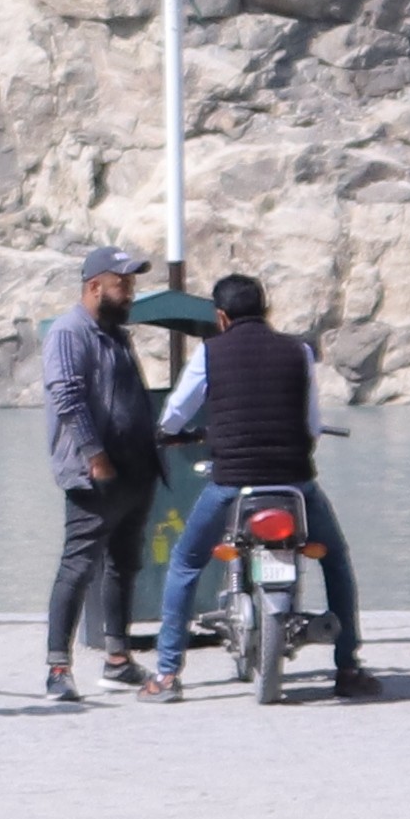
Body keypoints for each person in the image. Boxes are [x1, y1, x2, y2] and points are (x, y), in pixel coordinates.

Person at [151, 272, 373, 699]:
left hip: (232, 485)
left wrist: (168, 430)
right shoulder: (298, 352)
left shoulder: (209, 354)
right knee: (337, 561)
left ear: (221, 317)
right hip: (294, 484)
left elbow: (175, 413)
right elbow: (310, 424)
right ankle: (347, 667)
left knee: (185, 563)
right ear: (266, 311)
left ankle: (166, 675)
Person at [35, 244, 166, 702]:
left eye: (131, 283)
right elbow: (67, 397)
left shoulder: (114, 332)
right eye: (122, 283)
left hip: (134, 471)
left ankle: (117, 660)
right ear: (95, 287)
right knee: (78, 567)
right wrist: (95, 454)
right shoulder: (70, 332)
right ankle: (57, 667)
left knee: (122, 566)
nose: (130, 292)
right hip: (96, 474)